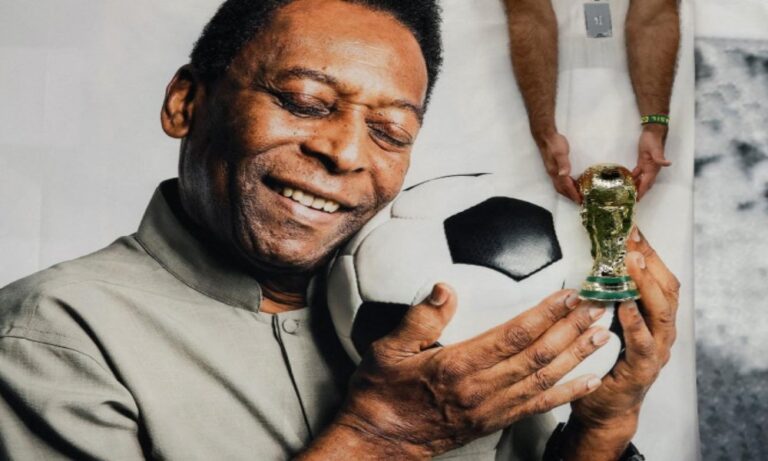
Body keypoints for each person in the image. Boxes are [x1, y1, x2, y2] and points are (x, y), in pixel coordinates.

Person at [0, 0, 680, 459]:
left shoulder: (456, 306)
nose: (347, 152)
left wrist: (602, 425)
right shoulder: (52, 334)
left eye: (390, 131)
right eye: (304, 102)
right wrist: (381, 436)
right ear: (186, 101)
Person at [504, 0, 680, 202]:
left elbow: (654, 16)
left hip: (644, 89)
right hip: (528, 88)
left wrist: (655, 126)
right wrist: (544, 132)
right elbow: (529, 15)